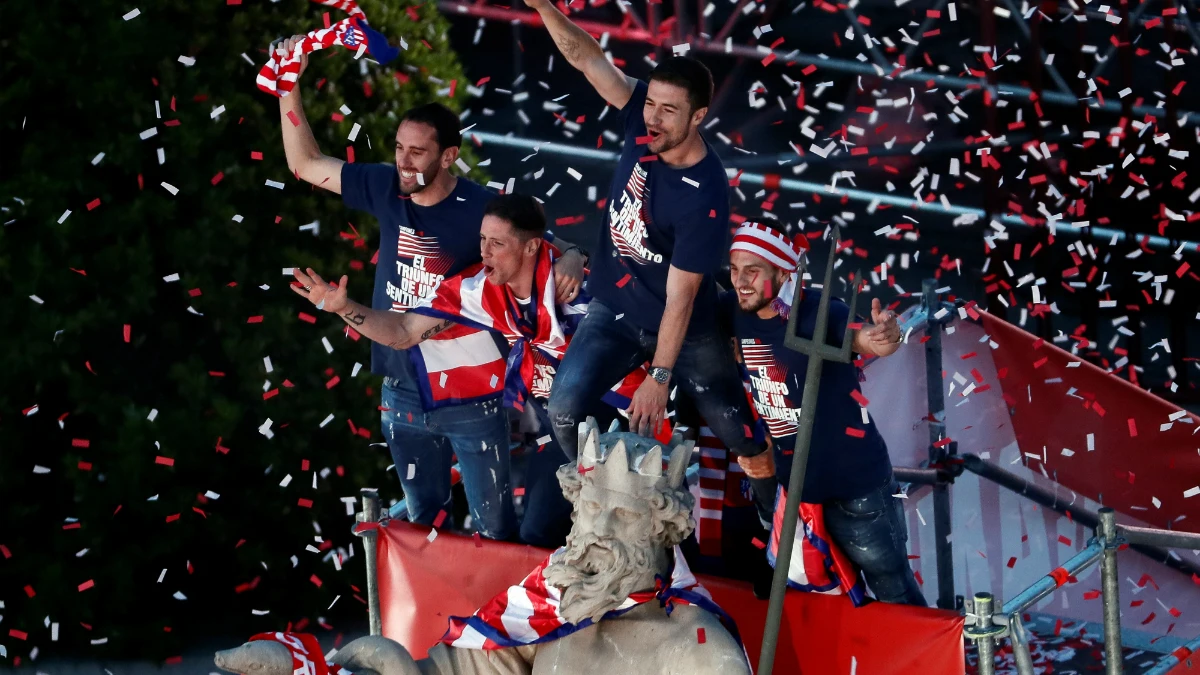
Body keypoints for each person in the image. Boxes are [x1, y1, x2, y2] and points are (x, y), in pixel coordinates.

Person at [273, 35, 587, 542]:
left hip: (470, 396)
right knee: (422, 522)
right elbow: (305, 165)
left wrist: (574, 255)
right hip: (400, 388)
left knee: (494, 533)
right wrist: (288, 85)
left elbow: (544, 243)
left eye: (418, 152)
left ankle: (495, 619)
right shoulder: (385, 185)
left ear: (448, 157)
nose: (404, 161)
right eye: (399, 148)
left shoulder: (480, 209)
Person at [522, 0, 770, 480]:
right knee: (563, 410)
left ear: (697, 117)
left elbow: (680, 299)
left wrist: (659, 378)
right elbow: (587, 57)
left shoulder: (706, 193)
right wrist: (544, 6)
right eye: (650, 103)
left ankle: (775, 519)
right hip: (614, 309)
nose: (652, 118)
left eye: (668, 111)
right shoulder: (643, 116)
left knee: (737, 430)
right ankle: (602, 498)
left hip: (683, 326)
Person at [292, 194, 617, 547]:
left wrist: (656, 386)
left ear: (530, 248)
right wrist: (343, 308)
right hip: (554, 426)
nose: (485, 252)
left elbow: (638, 339)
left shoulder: (580, 291)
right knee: (536, 535)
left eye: (497, 243)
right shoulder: (476, 289)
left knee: (620, 526)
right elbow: (403, 333)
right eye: (482, 240)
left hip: (610, 414)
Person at [722, 222, 927, 607]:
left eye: (753, 271)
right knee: (819, 598)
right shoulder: (736, 309)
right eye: (734, 270)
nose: (740, 281)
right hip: (793, 489)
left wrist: (883, 338)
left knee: (892, 589)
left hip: (854, 487)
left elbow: (861, 337)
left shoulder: (820, 312)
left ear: (783, 272)